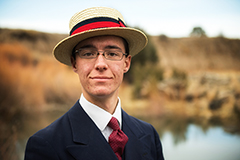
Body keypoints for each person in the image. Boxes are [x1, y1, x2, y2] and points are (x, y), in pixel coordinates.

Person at [24, 7, 164, 160]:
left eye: (112, 53)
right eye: (88, 54)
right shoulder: (45, 145)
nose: (101, 64)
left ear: (126, 63)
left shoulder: (149, 135)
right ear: (74, 63)